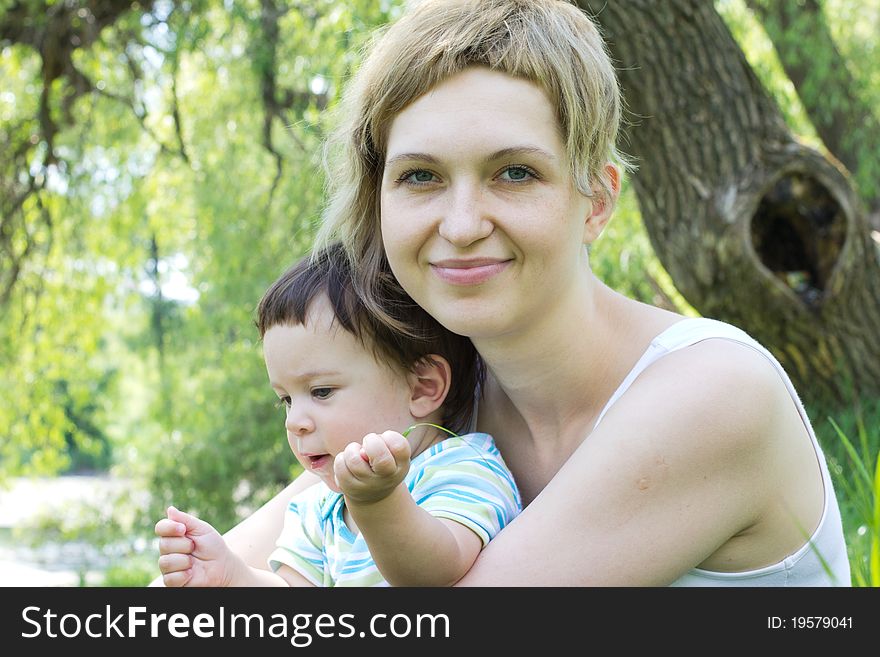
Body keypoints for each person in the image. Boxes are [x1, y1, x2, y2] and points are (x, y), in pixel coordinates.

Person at [170, 0, 850, 586]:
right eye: (421, 176)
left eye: (515, 172)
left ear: (597, 201)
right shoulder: (435, 399)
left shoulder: (714, 391)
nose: (462, 225)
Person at [154, 243, 521, 586]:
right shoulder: (320, 508)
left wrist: (378, 503)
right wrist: (232, 575)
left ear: (422, 387)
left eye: (321, 391)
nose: (295, 421)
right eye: (286, 399)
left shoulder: (463, 467)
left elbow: (433, 573)